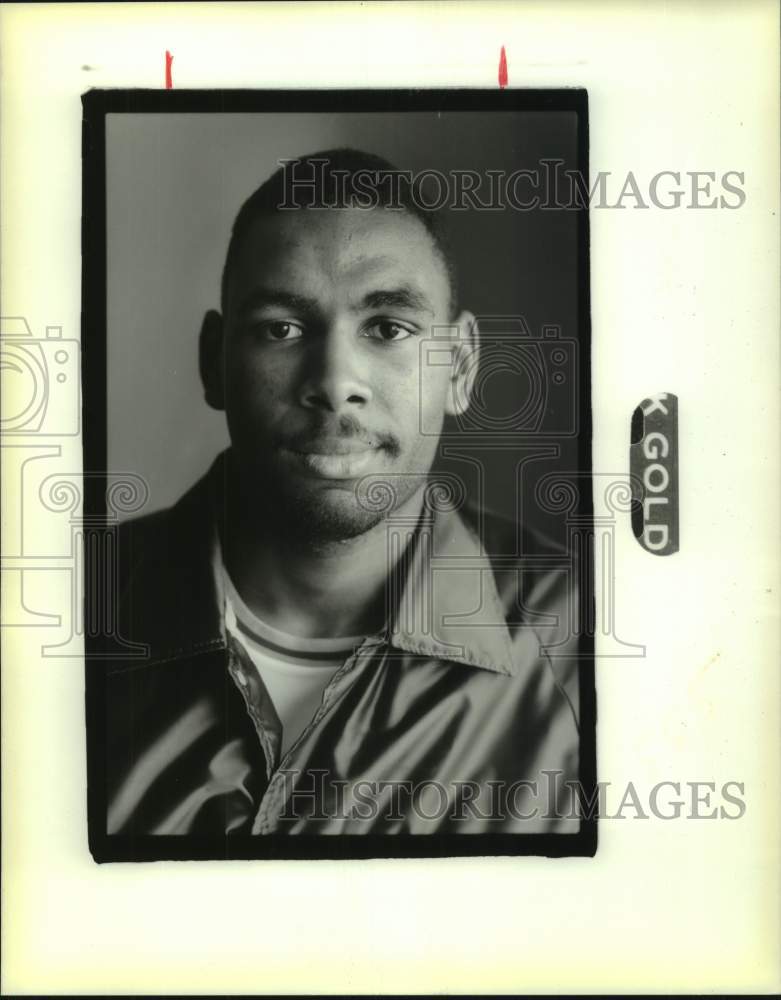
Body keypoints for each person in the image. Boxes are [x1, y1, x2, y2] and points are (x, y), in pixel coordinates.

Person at [93, 148, 582, 837]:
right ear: (214, 362)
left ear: (460, 367)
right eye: (281, 329)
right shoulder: (65, 620)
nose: (333, 380)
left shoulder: (583, 651)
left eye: (388, 328)